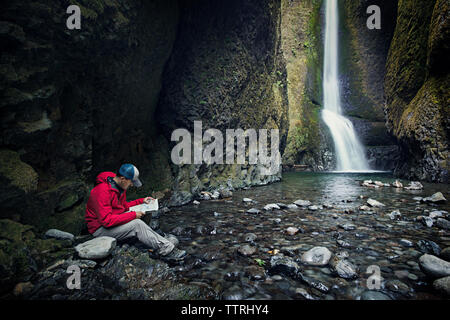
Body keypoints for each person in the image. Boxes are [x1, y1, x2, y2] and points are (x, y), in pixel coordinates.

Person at [85, 163, 186, 260]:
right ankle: (167, 249)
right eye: (131, 182)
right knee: (136, 224)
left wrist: (141, 201)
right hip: (99, 229)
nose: (132, 185)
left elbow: (123, 207)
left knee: (143, 212)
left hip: (111, 220)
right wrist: (133, 215)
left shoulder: (118, 186)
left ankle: (151, 240)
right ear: (123, 179)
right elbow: (106, 221)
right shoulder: (102, 192)